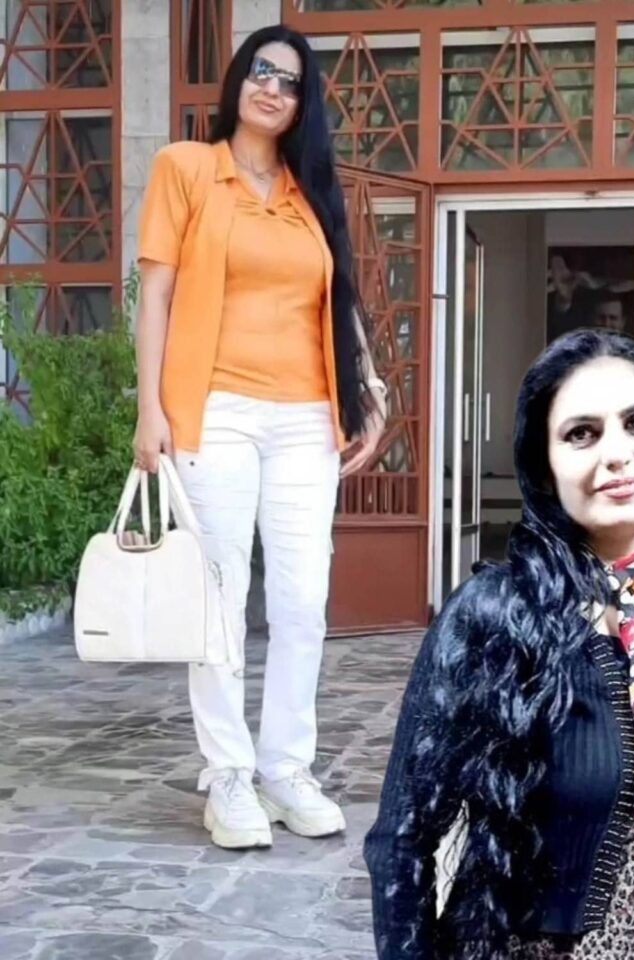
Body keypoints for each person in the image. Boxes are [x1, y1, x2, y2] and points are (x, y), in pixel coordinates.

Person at [364, 329, 634, 959]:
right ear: (545, 467)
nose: (618, 454)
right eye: (582, 434)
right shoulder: (497, 614)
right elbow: (402, 841)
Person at [133, 25, 386, 850]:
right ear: (239, 80)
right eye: (262, 72)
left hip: (307, 418)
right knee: (219, 600)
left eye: (290, 81)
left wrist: (370, 388)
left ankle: (285, 768)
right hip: (217, 411)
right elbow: (156, 296)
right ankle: (229, 776)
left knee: (303, 600)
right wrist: (149, 410)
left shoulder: (311, 191)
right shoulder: (185, 169)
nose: (272, 88)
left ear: (303, 104)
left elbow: (338, 299)